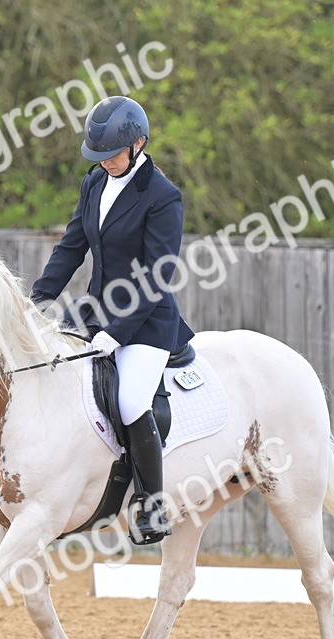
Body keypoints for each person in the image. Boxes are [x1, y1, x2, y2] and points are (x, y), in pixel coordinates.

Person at [30, 95, 194, 544]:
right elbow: (72, 246)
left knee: (130, 401)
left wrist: (117, 333)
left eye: (113, 154)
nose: (105, 163)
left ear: (138, 144)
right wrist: (38, 299)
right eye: (98, 156)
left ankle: (151, 506)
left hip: (146, 322)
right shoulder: (94, 183)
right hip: (96, 311)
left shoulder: (162, 196)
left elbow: (157, 276)